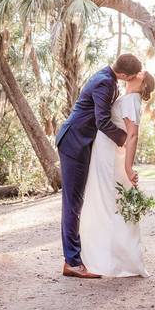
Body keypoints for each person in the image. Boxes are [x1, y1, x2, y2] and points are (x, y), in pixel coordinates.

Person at [56, 53, 142, 278]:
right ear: (123, 74)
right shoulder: (105, 82)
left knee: (77, 201)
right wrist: (126, 141)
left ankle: (74, 258)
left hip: (81, 144)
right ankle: (72, 262)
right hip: (74, 143)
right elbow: (102, 121)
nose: (131, 79)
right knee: (72, 204)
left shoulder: (108, 78)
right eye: (130, 76)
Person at [80, 70, 155, 277]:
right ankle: (107, 256)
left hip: (110, 157)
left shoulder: (132, 100)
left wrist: (128, 167)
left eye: (142, 72)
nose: (138, 71)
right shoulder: (128, 98)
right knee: (106, 203)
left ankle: (118, 259)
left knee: (109, 204)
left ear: (143, 83)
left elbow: (132, 135)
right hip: (105, 152)